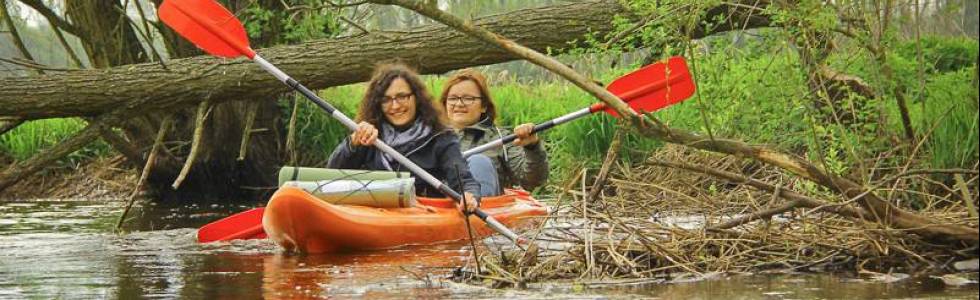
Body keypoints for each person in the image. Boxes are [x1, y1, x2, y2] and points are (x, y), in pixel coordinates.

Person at [327, 63, 480, 212]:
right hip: (376, 212)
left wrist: (468, 196)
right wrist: (353, 143)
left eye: (402, 97)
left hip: (422, 214)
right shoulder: (369, 136)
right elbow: (331, 175)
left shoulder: (441, 136)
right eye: (386, 100)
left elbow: (464, 180)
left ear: (416, 98)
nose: (395, 106)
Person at [440, 69, 548, 196]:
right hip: (435, 209)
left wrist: (532, 147)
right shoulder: (428, 138)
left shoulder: (502, 139)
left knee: (478, 162)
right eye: (452, 98)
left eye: (468, 98)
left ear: (484, 106)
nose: (458, 104)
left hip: (484, 208)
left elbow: (533, 181)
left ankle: (473, 208)